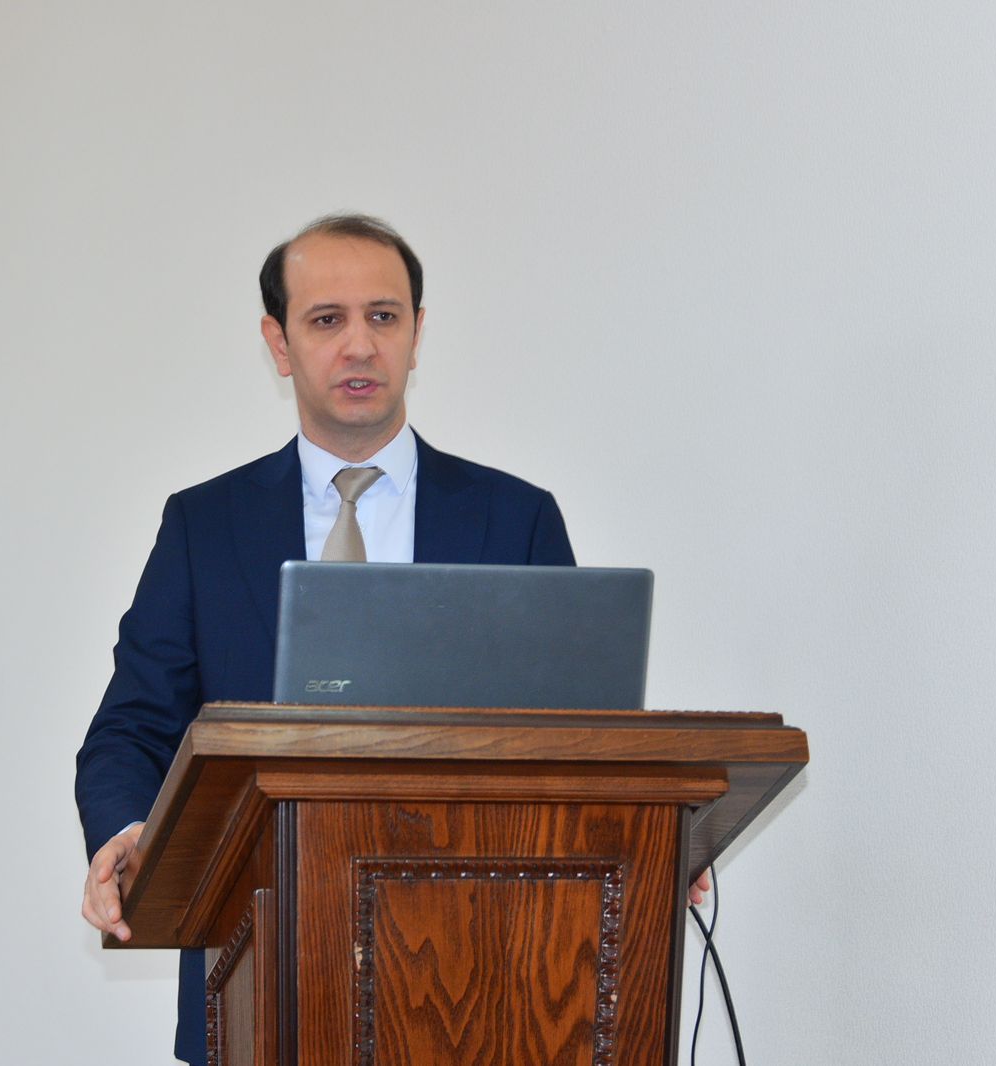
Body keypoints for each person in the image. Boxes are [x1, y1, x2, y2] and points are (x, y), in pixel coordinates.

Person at [74, 214, 704, 1065]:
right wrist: (126, 833)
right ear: (279, 343)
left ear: (416, 333)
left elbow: (577, 738)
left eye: (383, 316)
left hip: (494, 976)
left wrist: (654, 830)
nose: (360, 345)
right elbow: (132, 728)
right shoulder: (204, 526)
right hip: (264, 978)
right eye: (326, 320)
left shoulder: (514, 519)